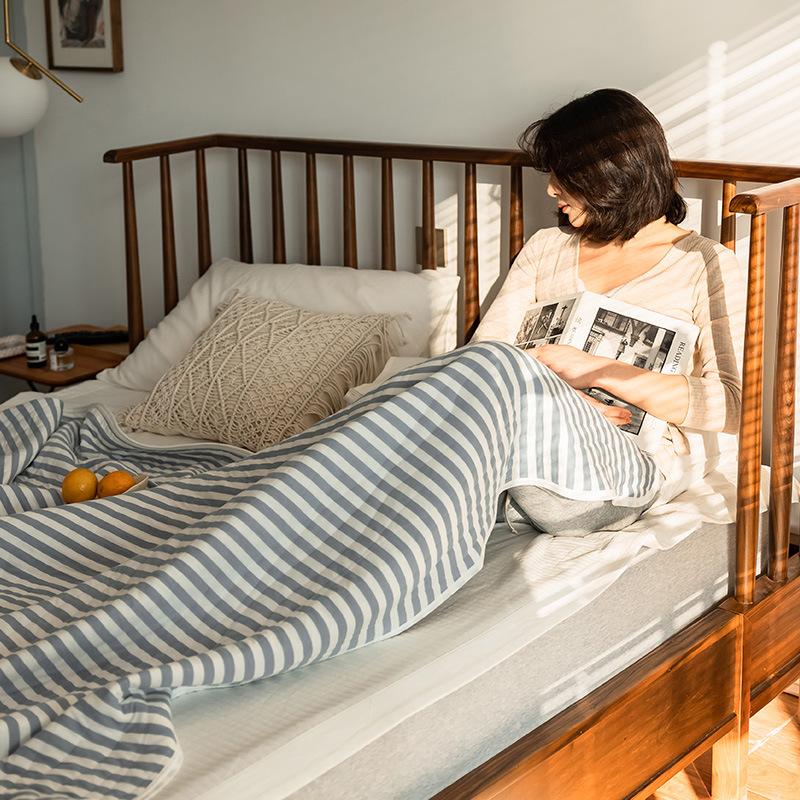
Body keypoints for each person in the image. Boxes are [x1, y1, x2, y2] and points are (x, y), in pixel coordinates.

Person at [474, 88, 745, 531]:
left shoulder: (706, 263)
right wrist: (556, 405)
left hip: (627, 452)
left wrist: (595, 370)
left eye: (563, 176)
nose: (549, 189)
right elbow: (484, 358)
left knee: (548, 496)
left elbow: (731, 406)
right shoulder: (547, 247)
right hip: (528, 428)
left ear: (610, 174)